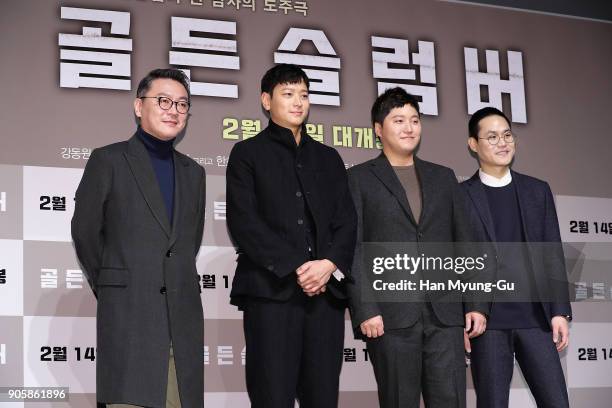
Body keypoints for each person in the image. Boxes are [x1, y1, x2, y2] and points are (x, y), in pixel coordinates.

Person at [72, 68, 206, 408]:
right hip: (129, 316)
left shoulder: (195, 173)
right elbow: (85, 231)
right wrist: (112, 282)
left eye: (182, 104)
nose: (173, 110)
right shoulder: (109, 160)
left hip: (182, 319)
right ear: (138, 106)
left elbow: (188, 243)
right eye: (163, 100)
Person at [347, 87, 488, 408]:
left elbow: (464, 242)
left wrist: (476, 303)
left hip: (445, 316)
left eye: (414, 120)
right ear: (378, 129)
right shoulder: (358, 179)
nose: (409, 127)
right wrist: (366, 308)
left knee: (451, 400)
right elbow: (353, 248)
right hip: (390, 317)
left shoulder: (444, 177)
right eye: (398, 120)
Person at [226, 63, 356, 408]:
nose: (298, 102)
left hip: (324, 298)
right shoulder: (247, 154)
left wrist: (327, 264)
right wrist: (300, 267)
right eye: (288, 94)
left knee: (323, 396)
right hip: (271, 294)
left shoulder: (329, 158)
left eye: (304, 94)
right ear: (266, 101)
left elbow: (347, 222)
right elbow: (244, 223)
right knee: (271, 395)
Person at [461, 106, 572, 408]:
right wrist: (459, 319)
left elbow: (552, 252)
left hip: (535, 320)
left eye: (507, 135)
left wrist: (559, 311)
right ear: (473, 144)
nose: (502, 142)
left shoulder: (537, 191)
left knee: (557, 402)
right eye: (492, 136)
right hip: (488, 324)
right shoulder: (459, 197)